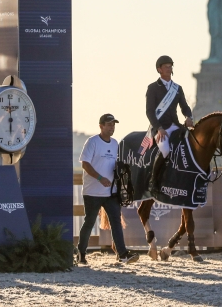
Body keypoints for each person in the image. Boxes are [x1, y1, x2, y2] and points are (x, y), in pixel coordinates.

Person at [77, 113, 138, 265]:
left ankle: (122, 253)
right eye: (109, 124)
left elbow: (115, 165)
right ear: (101, 126)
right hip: (92, 192)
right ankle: (81, 253)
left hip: (111, 192)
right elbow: (85, 164)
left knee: (116, 222)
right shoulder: (92, 142)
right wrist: (99, 178)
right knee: (89, 222)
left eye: (113, 125)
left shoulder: (115, 144)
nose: (112, 127)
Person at [146, 55, 193, 194]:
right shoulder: (153, 88)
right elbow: (149, 112)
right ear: (159, 69)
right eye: (166, 66)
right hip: (160, 127)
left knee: (192, 145)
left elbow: (185, 107)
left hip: (175, 125)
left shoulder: (177, 88)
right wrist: (158, 128)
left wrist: (188, 116)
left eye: (170, 66)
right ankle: (154, 182)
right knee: (165, 150)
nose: (169, 68)